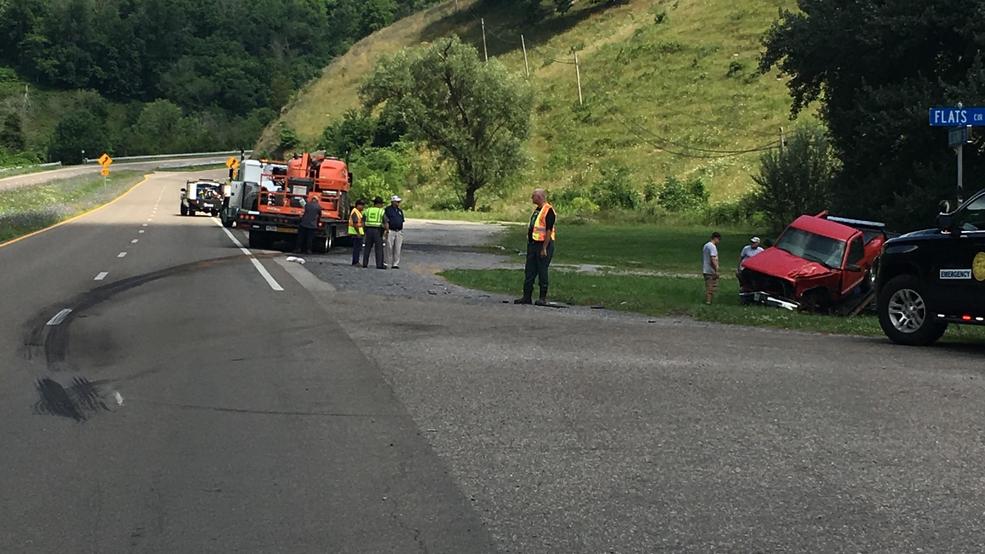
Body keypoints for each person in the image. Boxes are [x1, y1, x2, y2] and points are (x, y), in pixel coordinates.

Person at [515, 189, 556, 306]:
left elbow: (548, 230)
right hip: (533, 245)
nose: (532, 198)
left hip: (543, 245)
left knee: (542, 271)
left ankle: (542, 298)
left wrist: (544, 247)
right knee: (529, 271)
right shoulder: (537, 210)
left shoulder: (548, 211)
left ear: (539, 197)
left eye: (533, 196)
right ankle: (526, 296)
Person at [362, 196, 387, 269]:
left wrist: (364, 231)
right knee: (379, 248)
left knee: (367, 248)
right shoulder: (381, 211)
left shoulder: (367, 210)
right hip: (378, 231)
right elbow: (385, 222)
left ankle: (365, 264)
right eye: (381, 204)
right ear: (379, 204)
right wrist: (387, 230)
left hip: (368, 231)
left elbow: (363, 221)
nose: (382, 205)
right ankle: (379, 265)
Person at [384, 195, 405, 269]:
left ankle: (395, 263)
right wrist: (386, 230)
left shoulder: (399, 211)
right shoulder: (388, 210)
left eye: (399, 202)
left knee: (397, 248)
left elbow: (402, 220)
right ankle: (386, 262)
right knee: (389, 247)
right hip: (391, 230)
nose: (398, 203)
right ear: (393, 202)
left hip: (398, 231)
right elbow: (386, 220)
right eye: (397, 202)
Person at [702, 232, 721, 305]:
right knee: (711, 287)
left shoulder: (706, 245)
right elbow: (713, 259)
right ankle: (708, 302)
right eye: (718, 240)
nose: (718, 242)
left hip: (706, 269)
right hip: (710, 270)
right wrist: (716, 269)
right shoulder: (712, 246)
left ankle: (709, 301)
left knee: (709, 286)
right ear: (715, 238)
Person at [349, 199, 366, 266]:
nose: (363, 207)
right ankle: (355, 262)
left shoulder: (358, 212)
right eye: (362, 205)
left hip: (357, 233)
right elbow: (355, 223)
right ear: (358, 205)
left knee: (358, 248)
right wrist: (358, 233)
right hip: (356, 233)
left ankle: (356, 261)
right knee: (357, 249)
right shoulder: (355, 212)